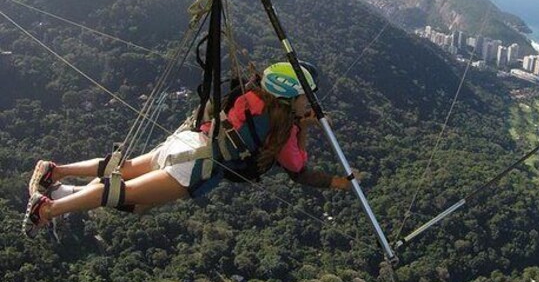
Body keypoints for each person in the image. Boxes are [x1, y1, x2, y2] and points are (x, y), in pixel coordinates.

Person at [23, 61, 353, 237]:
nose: (308, 104)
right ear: (289, 98)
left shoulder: (249, 94)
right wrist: (335, 174)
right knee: (122, 196)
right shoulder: (282, 130)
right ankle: (47, 209)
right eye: (304, 98)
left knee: (122, 170)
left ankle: (58, 173)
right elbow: (299, 170)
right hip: (194, 167)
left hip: (186, 141)